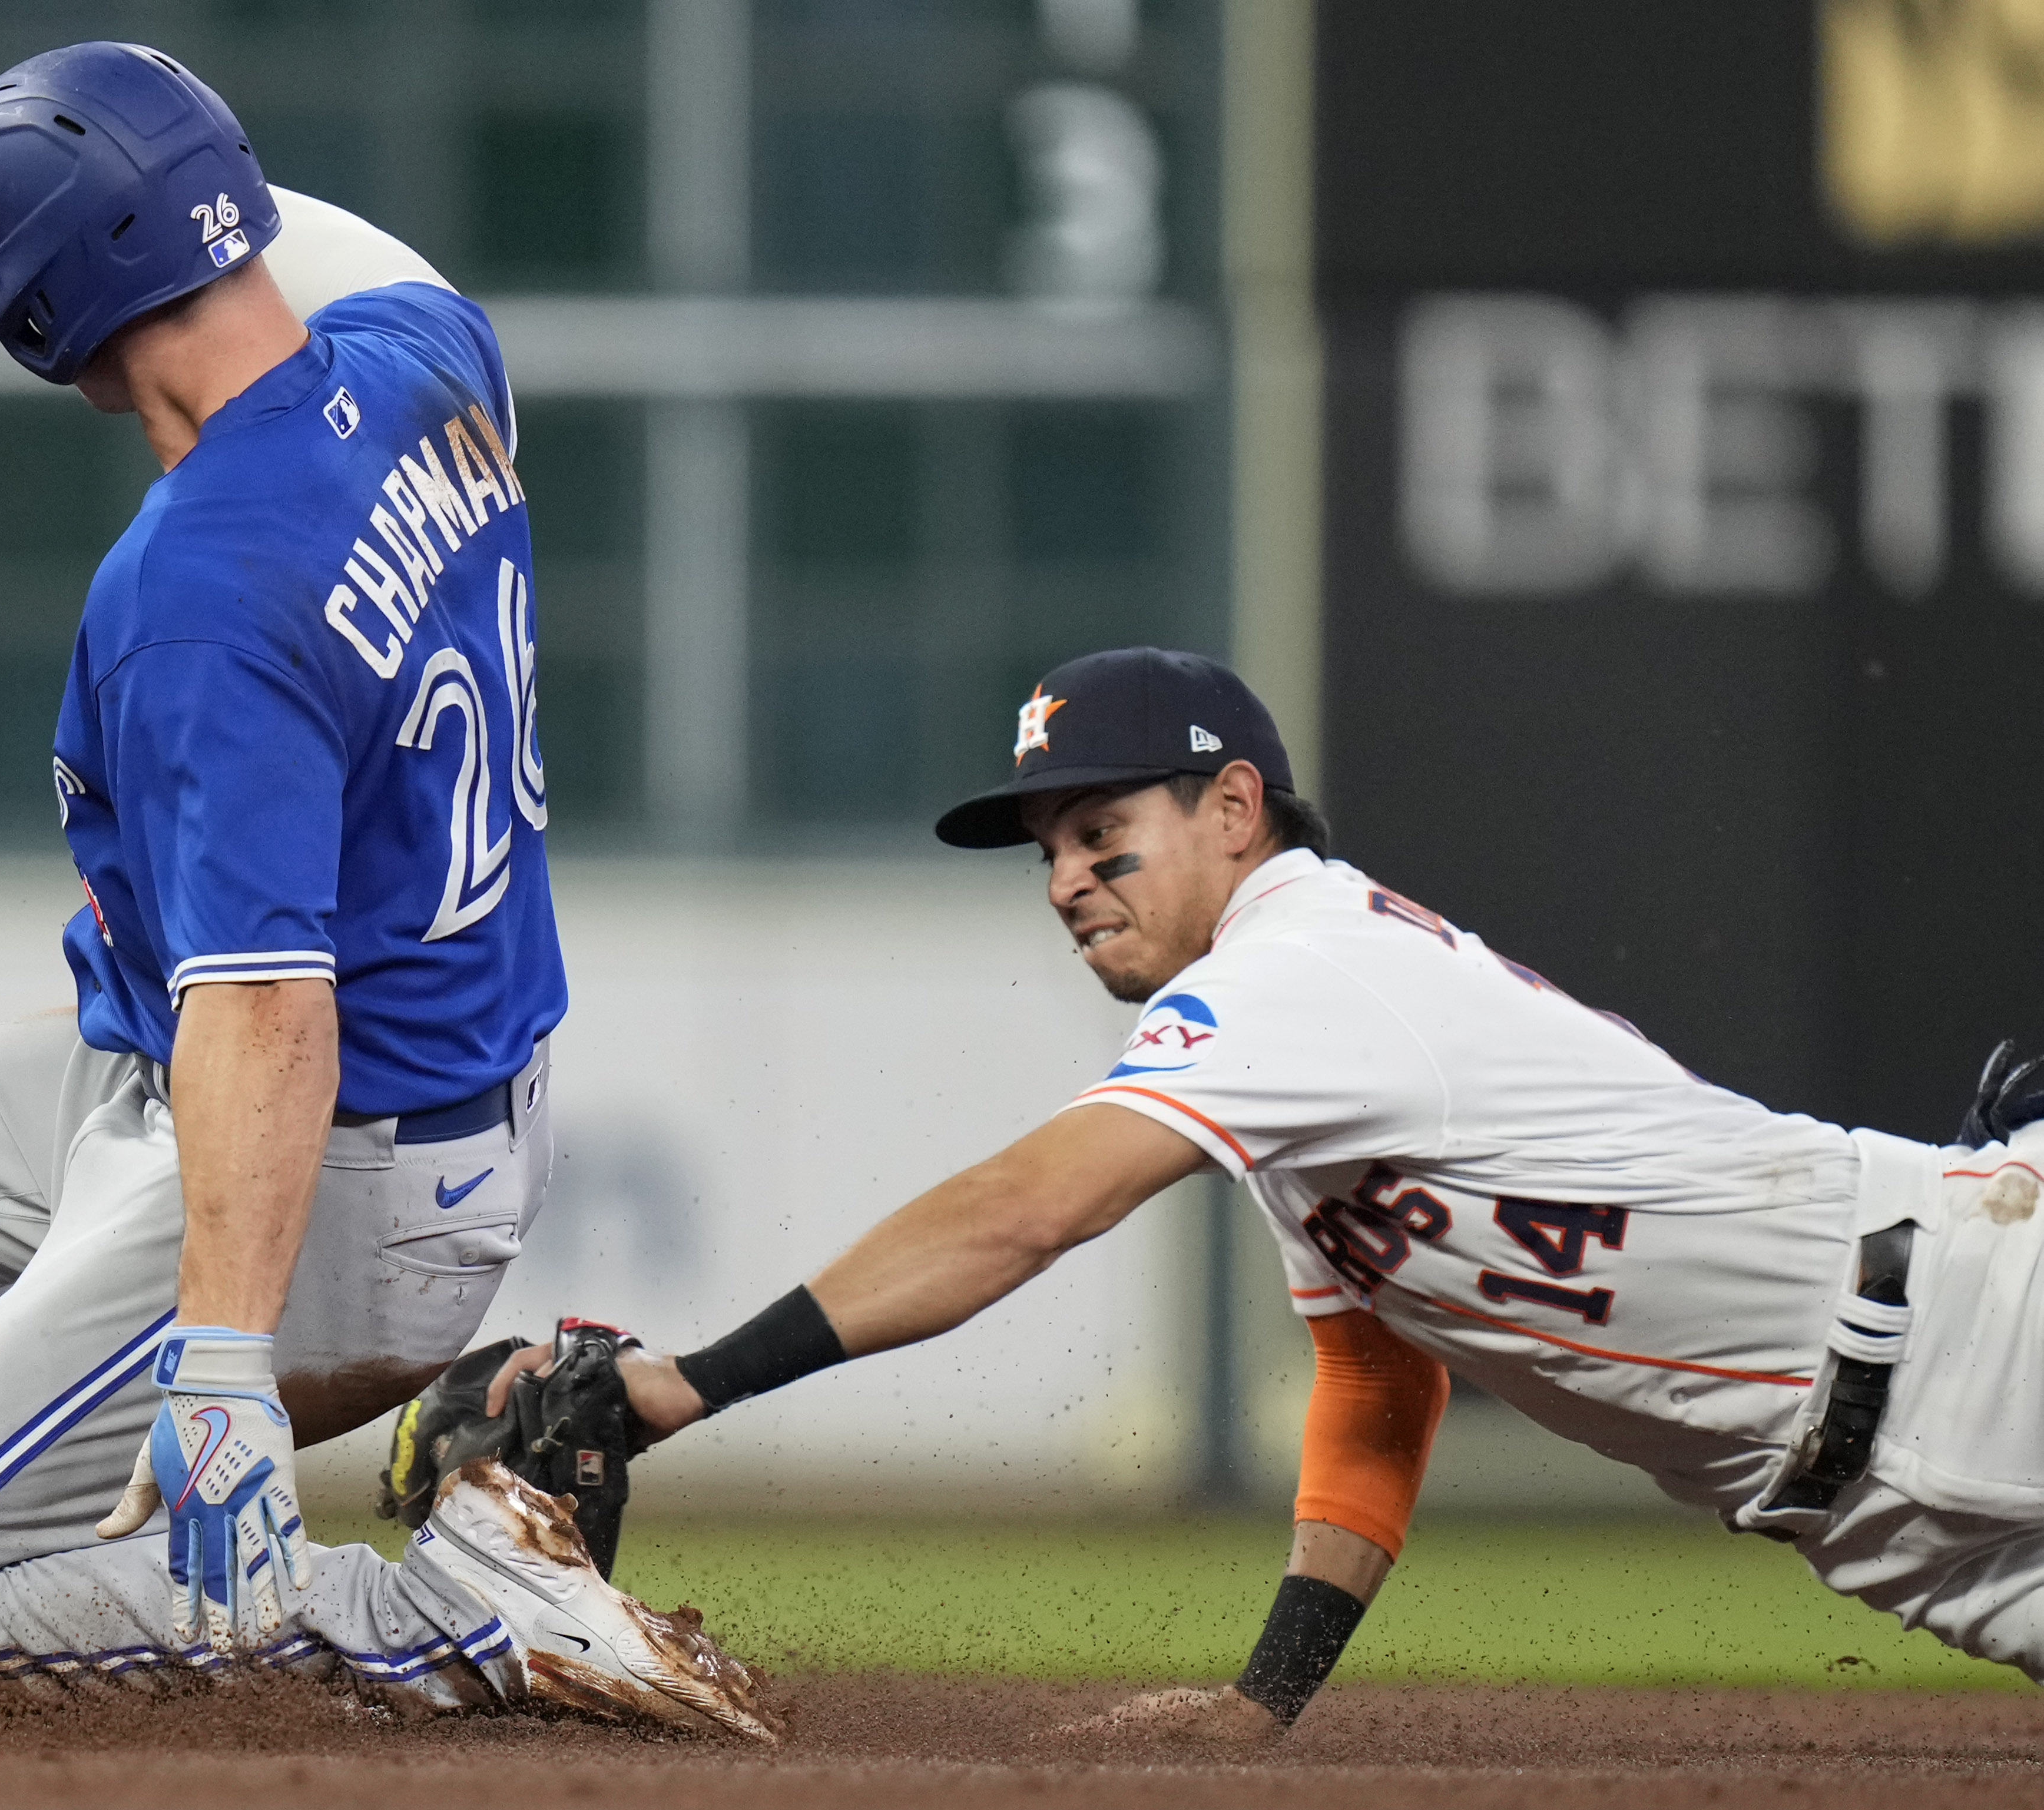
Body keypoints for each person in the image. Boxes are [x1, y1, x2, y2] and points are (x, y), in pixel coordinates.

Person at [0, 41, 770, 1742]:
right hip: (334, 1097)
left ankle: (452, 1605)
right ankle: (46, 1489)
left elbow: (273, 1010)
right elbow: (290, 244)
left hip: (335, 1162)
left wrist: (220, 1364)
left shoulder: (201, 592)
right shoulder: (427, 350)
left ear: (41, 313)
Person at [496, 642, 2044, 1742]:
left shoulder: (1298, 974)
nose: (1064, 881)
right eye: (1047, 851)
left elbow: (1028, 1205)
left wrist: (684, 1383)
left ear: (1234, 810)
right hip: (1879, 1516)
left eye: (1104, 831)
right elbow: (1380, 1380)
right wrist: (1269, 1696)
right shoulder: (1293, 1048)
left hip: (1973, 1339)